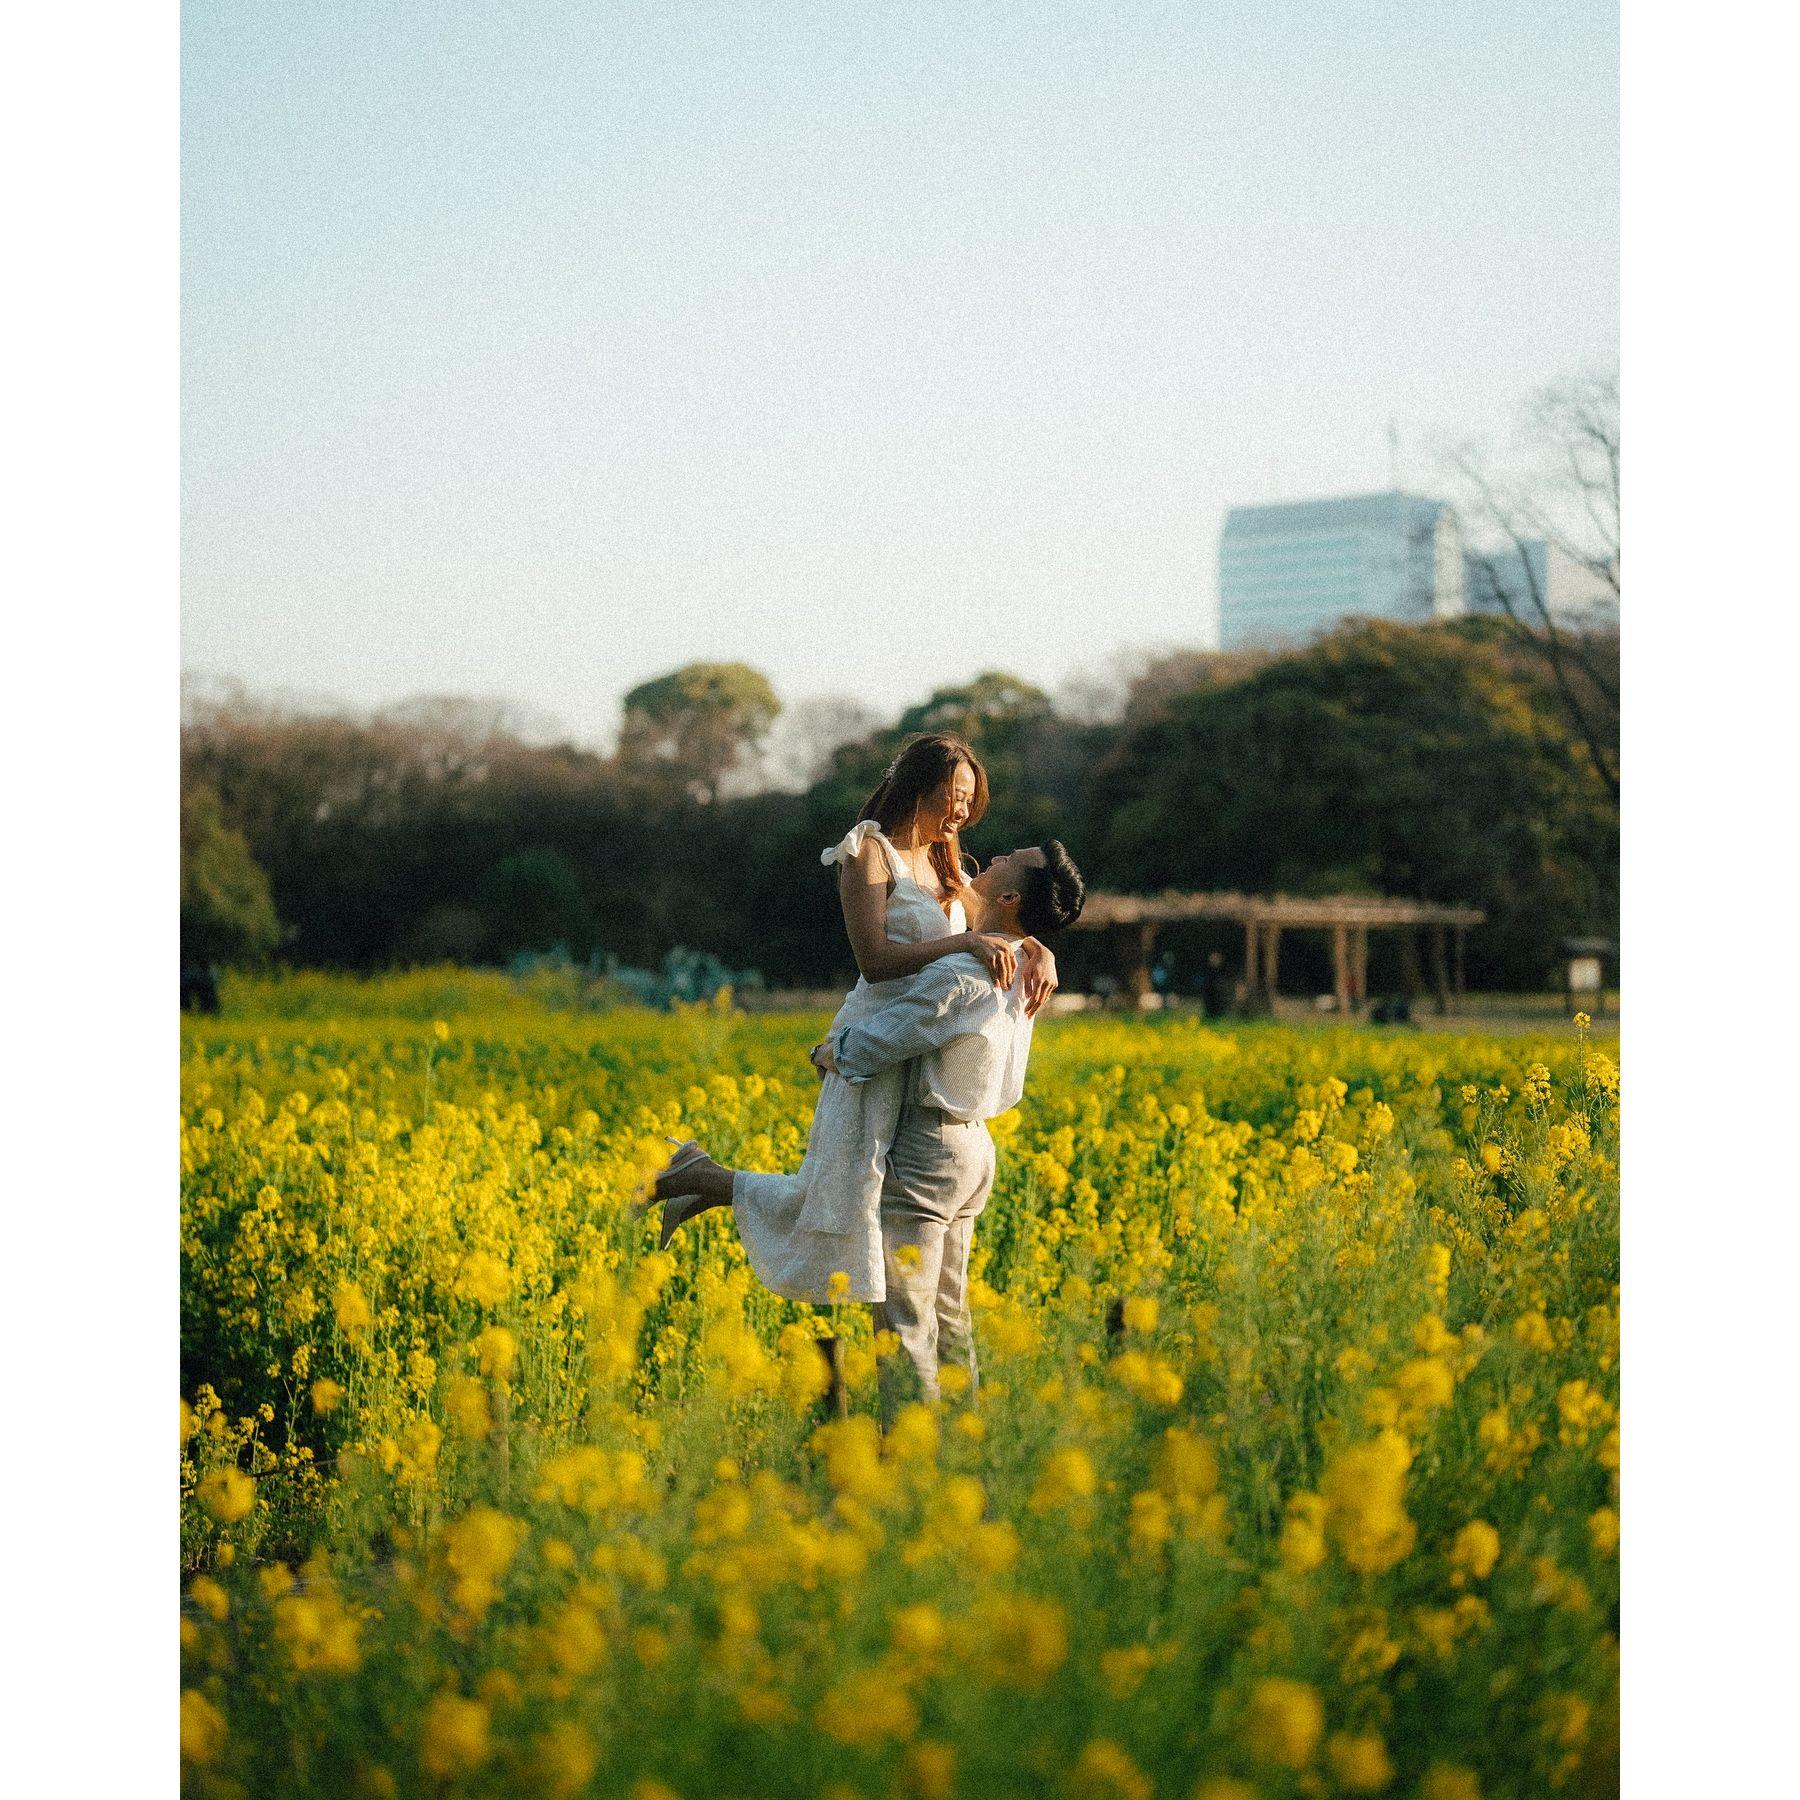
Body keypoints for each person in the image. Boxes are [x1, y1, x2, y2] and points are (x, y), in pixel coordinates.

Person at [646, 840, 1086, 1418]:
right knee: (950, 1316)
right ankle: (963, 1442)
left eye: (1011, 861)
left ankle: (910, 1452)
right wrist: (1035, 943)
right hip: (974, 1149)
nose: (997, 856)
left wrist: (828, 1052)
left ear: (1009, 898)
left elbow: (885, 1039)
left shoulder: (968, 972)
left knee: (906, 1323)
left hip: (930, 1151)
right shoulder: (1021, 966)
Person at [636, 735, 1058, 1305]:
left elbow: (1000, 921)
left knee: (855, 1198)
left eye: (970, 800)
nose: (963, 811)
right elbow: (875, 960)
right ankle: (697, 1177)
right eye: (956, 795)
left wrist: (1037, 949)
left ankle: (699, 1177)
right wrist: (964, 943)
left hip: (916, 1043)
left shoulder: (949, 863)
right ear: (919, 786)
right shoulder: (867, 851)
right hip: (875, 1035)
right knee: (838, 1195)